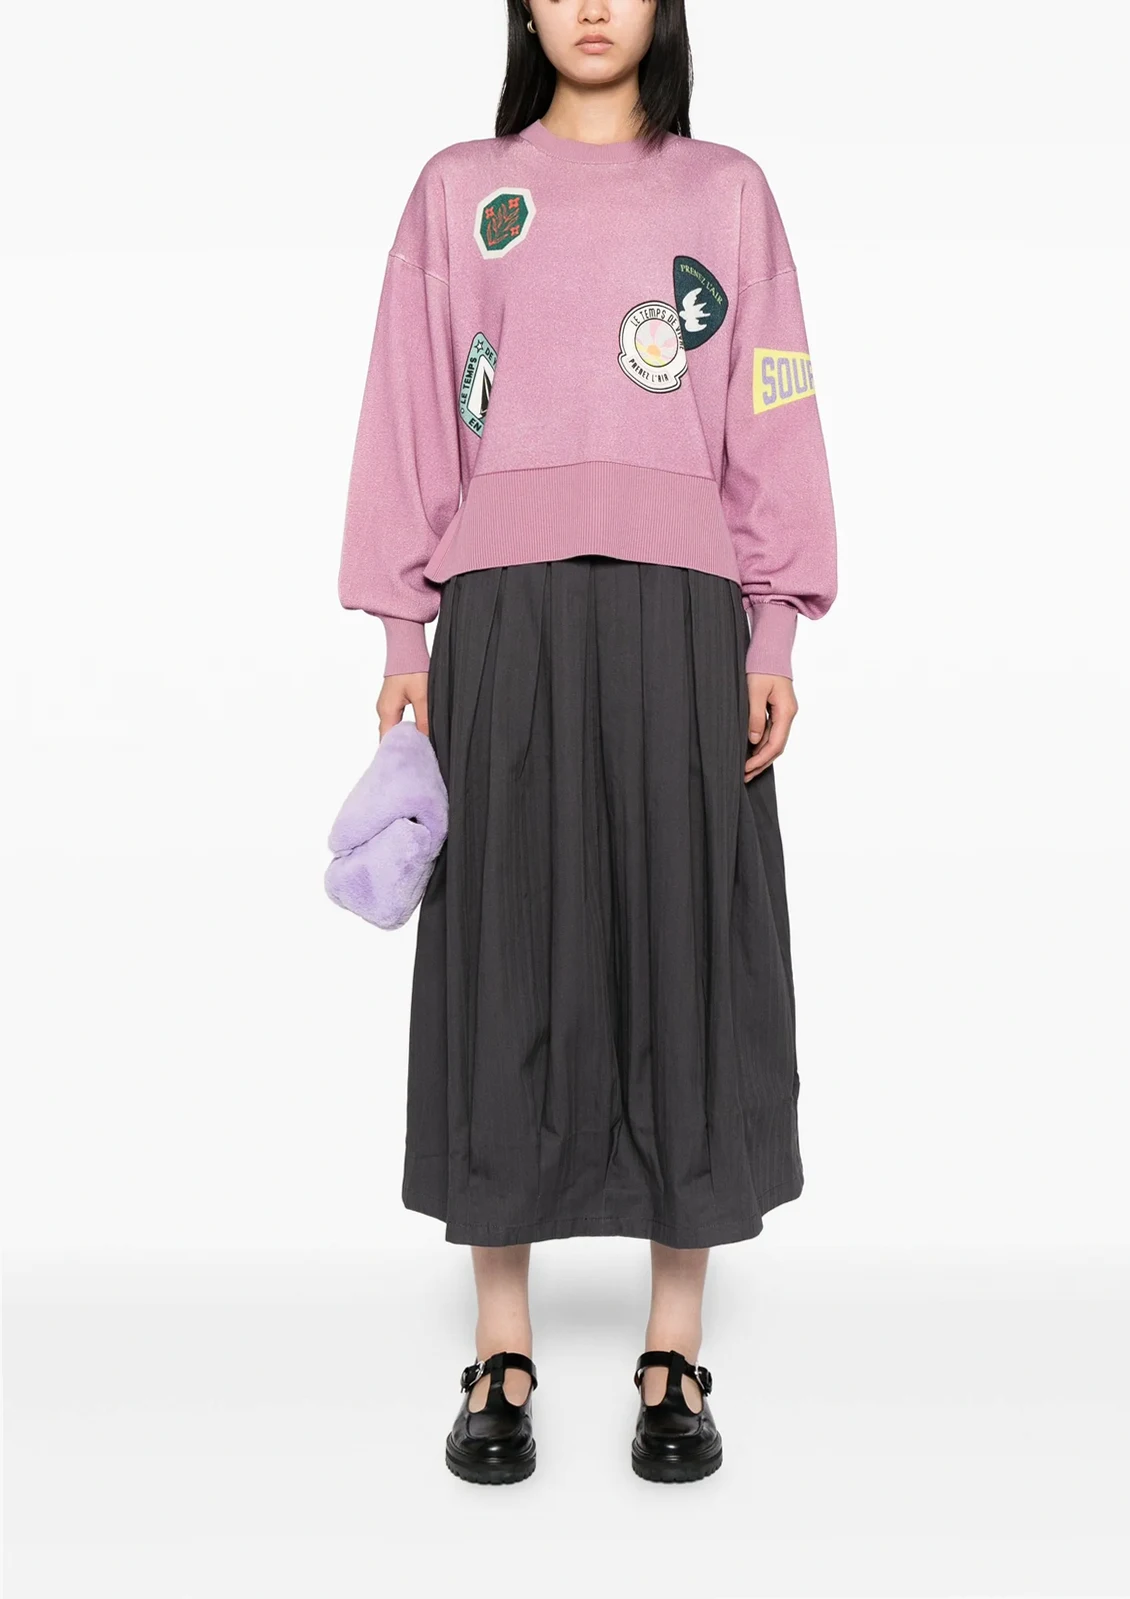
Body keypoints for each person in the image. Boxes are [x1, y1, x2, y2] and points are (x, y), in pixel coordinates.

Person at [336, 0, 837, 1486]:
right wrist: (404, 638)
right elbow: (410, 406)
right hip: (503, 618)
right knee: (502, 947)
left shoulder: (728, 193)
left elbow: (775, 401)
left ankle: (675, 1342)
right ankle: (501, 1344)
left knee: (687, 948)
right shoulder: (459, 192)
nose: (594, 3)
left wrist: (774, 630)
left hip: (685, 621)